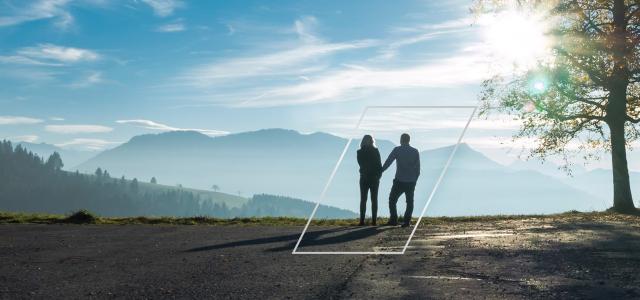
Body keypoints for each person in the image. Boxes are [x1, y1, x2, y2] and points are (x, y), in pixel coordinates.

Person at [381, 133, 420, 227]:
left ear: (401, 140)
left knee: (392, 200)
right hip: (411, 181)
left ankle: (394, 219)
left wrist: (381, 170)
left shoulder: (397, 150)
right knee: (410, 202)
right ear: (409, 140)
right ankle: (407, 221)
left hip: (399, 180)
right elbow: (417, 168)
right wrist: (415, 180)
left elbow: (389, 161)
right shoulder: (415, 151)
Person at [356, 135, 382, 226]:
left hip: (365, 177)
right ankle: (371, 221)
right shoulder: (375, 151)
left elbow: (362, 165)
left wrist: (377, 176)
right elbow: (379, 165)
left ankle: (364, 221)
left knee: (365, 199)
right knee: (371, 199)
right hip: (372, 178)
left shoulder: (360, 152)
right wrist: (378, 176)